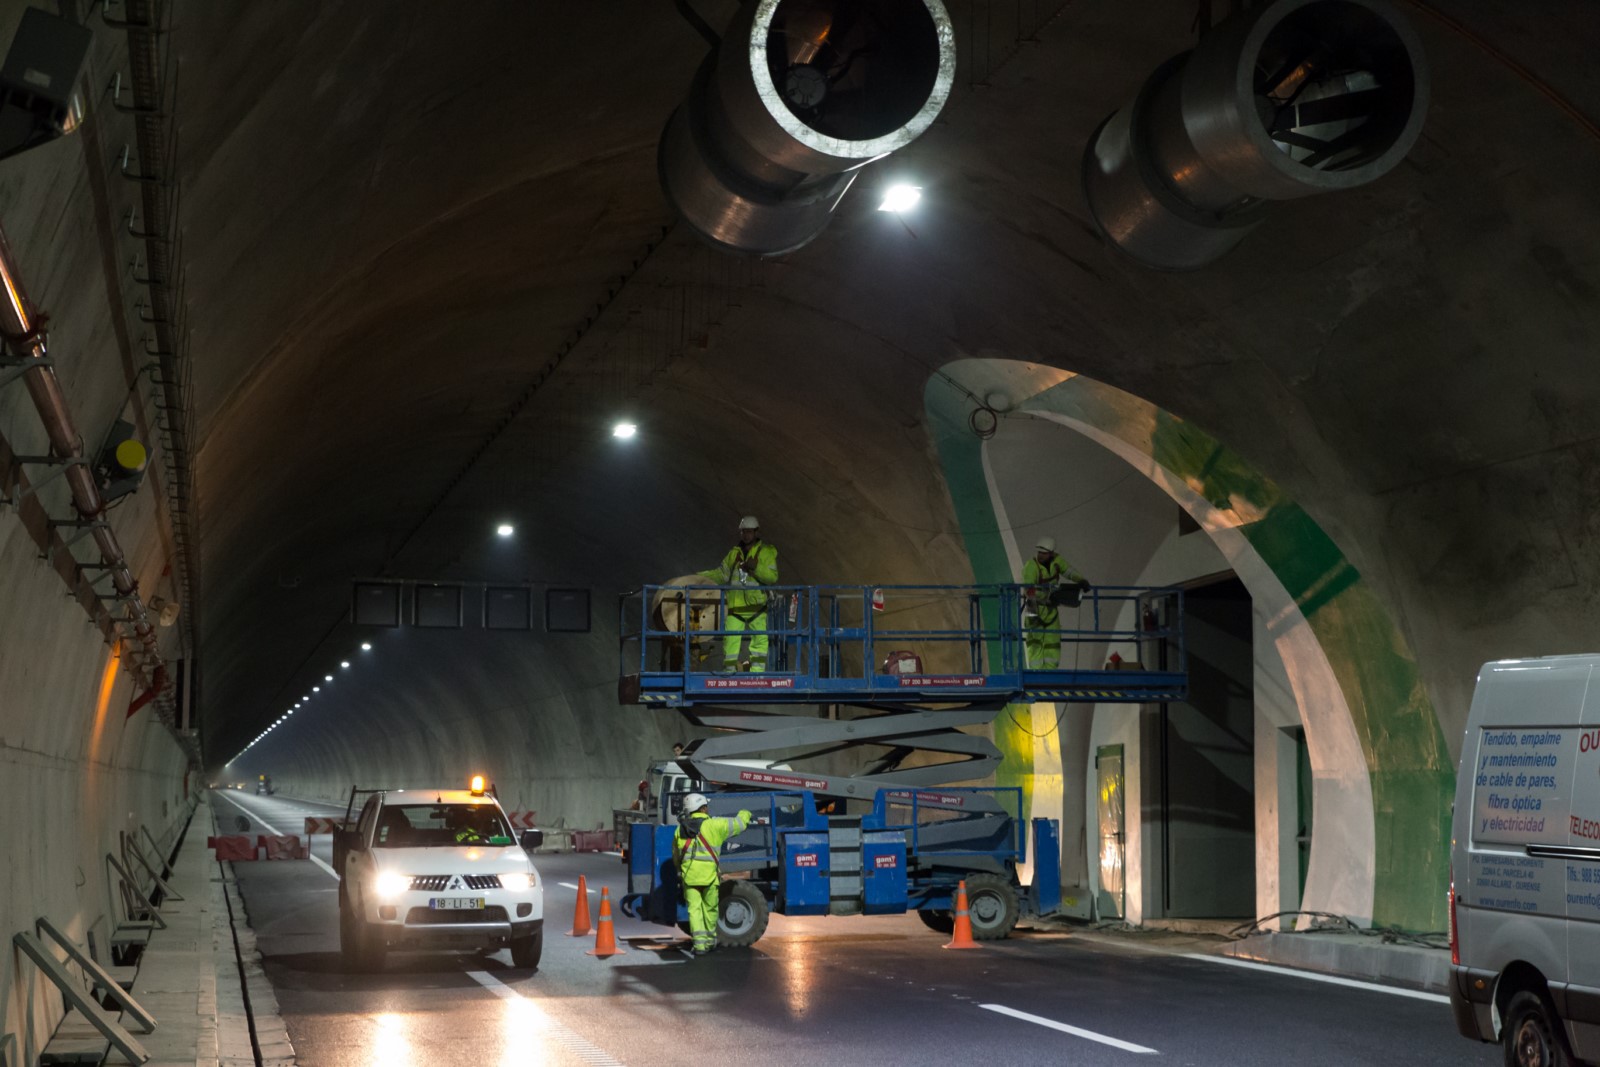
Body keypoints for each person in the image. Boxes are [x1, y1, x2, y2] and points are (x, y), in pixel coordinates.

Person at [673, 793, 752, 956]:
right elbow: (739, 824)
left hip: (690, 877)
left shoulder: (679, 829)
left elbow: (676, 855)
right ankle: (709, 942)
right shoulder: (715, 825)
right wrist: (746, 811)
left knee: (694, 910)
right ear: (703, 808)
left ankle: (699, 946)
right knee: (710, 909)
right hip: (709, 877)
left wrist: (679, 871)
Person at [699, 515, 779, 672]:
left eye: (749, 531)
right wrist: (698, 577)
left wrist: (756, 568)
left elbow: (772, 578)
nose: (746, 535)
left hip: (757, 606)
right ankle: (730, 673)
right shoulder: (734, 553)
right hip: (736, 606)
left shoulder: (765, 552)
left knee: (760, 641)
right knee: (730, 641)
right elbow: (721, 574)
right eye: (743, 532)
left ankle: (757, 675)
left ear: (756, 532)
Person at [1022, 536, 1088, 669]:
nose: (1040, 555)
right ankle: (1036, 674)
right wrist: (1047, 598)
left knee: (1052, 643)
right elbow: (1029, 591)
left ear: (1051, 553)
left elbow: (1068, 571)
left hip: (1050, 609)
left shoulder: (1057, 561)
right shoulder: (1031, 566)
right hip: (1033, 607)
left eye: (1044, 553)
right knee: (1035, 643)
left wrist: (1081, 580)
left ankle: (1050, 675)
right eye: (1039, 552)